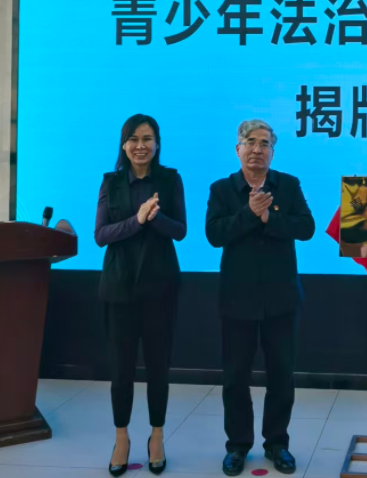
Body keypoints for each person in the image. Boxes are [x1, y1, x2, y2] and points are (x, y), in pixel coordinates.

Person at [205, 120, 315, 477]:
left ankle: (277, 443)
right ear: (238, 149)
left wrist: (269, 216)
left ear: (273, 151)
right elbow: (214, 235)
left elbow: (307, 228)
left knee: (281, 375)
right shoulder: (222, 189)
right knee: (235, 377)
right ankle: (237, 446)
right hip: (237, 299)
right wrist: (249, 214)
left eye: (264, 143)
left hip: (281, 298)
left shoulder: (288, 185)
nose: (257, 149)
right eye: (250, 142)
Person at [95, 114, 186, 476]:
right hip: (119, 287)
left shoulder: (170, 179)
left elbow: (180, 230)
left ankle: (157, 435)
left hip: (160, 287)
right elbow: (101, 235)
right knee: (121, 369)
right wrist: (138, 219)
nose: (140, 146)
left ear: (157, 144)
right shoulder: (111, 181)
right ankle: (121, 437)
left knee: (158, 367)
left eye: (147, 139)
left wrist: (155, 217)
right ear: (124, 144)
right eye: (133, 139)